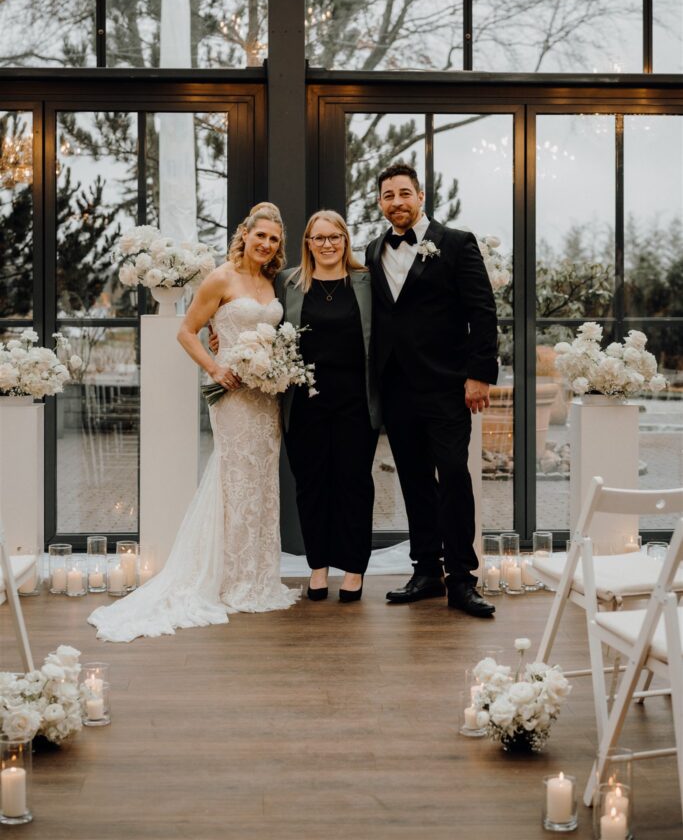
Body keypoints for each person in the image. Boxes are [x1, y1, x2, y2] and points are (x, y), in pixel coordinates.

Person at [88, 202, 299, 642]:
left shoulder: (267, 280)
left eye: (274, 239)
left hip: (266, 398)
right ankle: (227, 580)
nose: (266, 244)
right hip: (233, 396)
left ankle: (257, 577)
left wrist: (275, 365)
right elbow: (187, 331)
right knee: (234, 478)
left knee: (261, 481)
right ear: (245, 235)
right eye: (260, 235)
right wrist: (215, 368)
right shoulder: (221, 277)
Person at [365, 163, 498, 617]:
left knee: (453, 478)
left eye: (404, 192)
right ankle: (426, 571)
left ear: (420, 196)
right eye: (388, 195)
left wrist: (479, 374)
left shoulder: (456, 243)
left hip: (447, 386)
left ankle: (462, 579)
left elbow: (482, 311)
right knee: (414, 481)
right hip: (397, 388)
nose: (396, 201)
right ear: (380, 203)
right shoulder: (371, 250)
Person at [277, 210, 380, 602]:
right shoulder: (288, 282)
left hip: (356, 402)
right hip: (304, 404)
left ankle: (353, 570)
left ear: (345, 240)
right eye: (318, 238)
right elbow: (260, 319)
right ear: (308, 243)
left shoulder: (366, 281)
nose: (327, 244)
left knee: (354, 485)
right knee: (312, 486)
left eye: (334, 237)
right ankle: (318, 567)